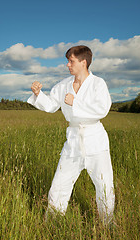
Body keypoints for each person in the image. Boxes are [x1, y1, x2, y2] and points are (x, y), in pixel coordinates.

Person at [27, 45, 115, 224]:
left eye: (71, 61)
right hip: (73, 141)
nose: (68, 65)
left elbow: (103, 109)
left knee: (104, 185)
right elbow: (51, 105)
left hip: (95, 140)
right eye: (68, 61)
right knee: (59, 185)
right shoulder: (64, 85)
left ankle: (108, 224)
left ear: (83, 62)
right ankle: (52, 222)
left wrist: (77, 102)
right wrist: (38, 94)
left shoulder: (98, 83)